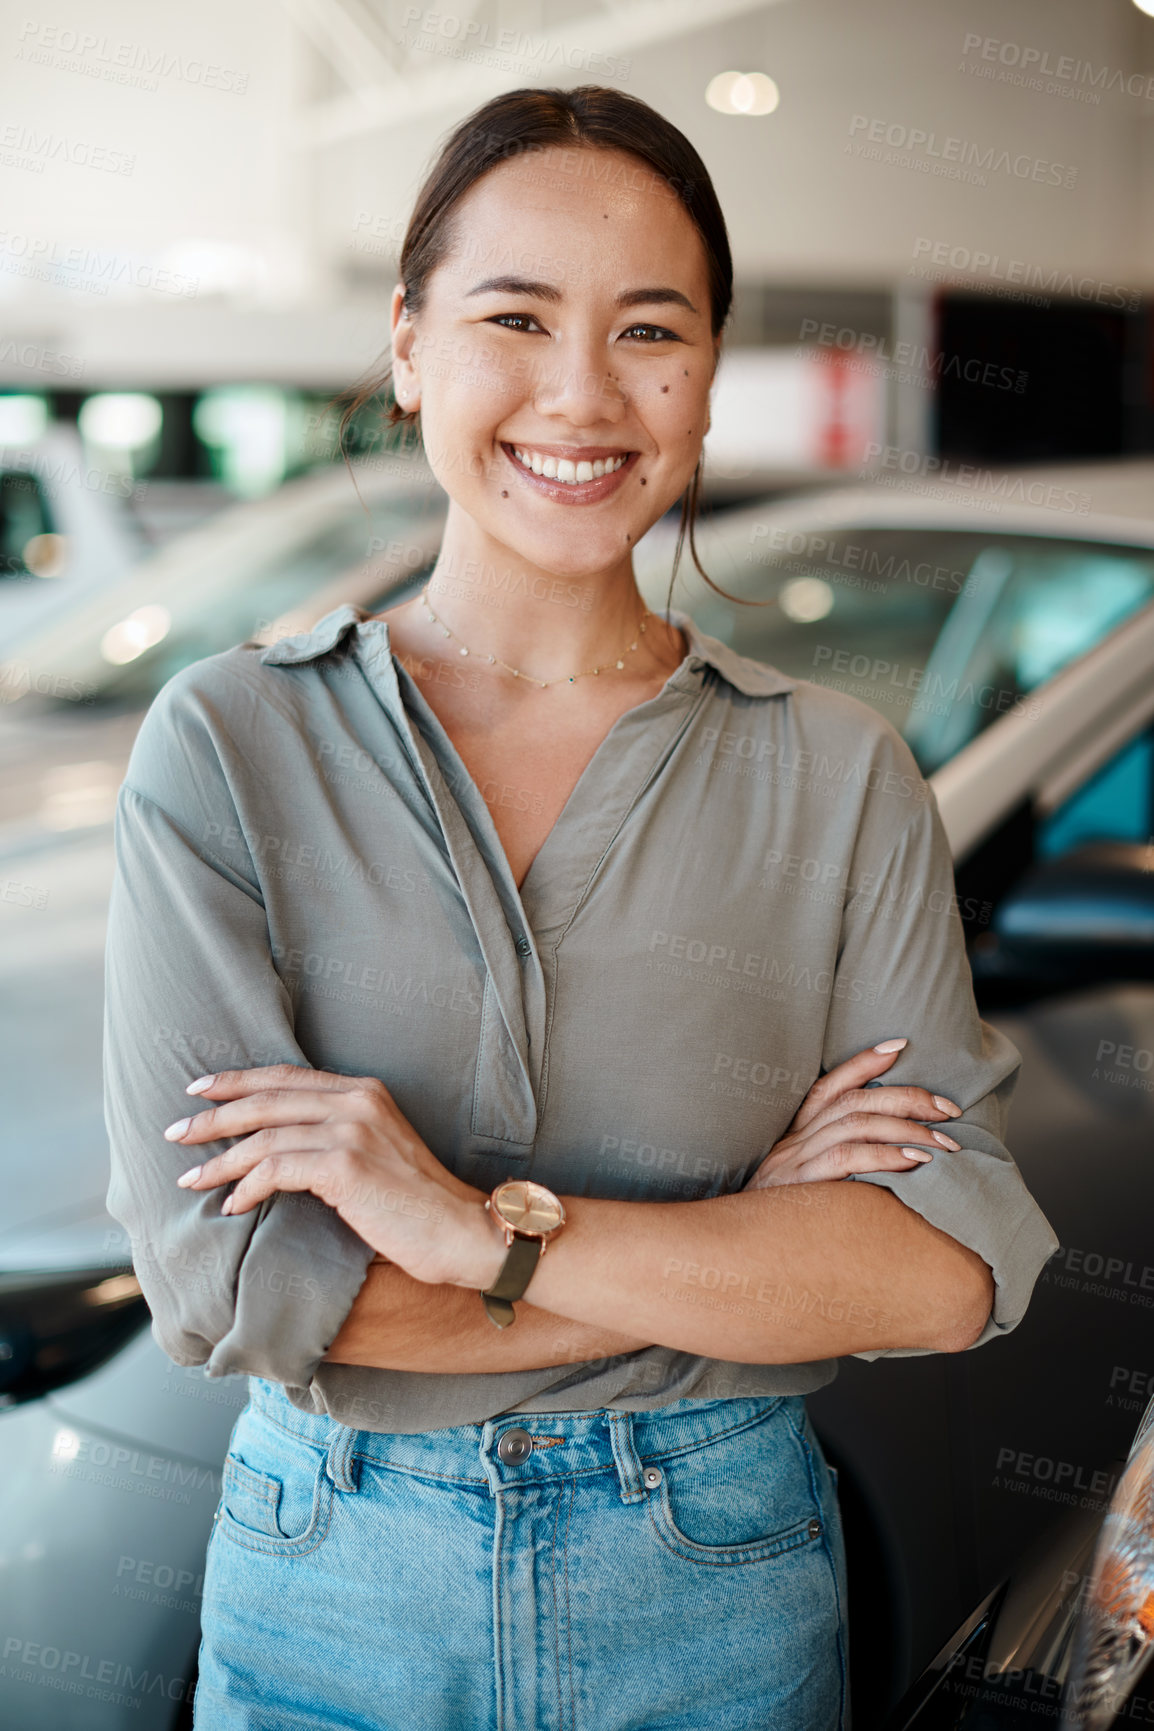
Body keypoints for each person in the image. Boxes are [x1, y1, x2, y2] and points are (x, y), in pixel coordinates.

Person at [103, 85, 1059, 1731]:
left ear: (706, 375)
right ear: (409, 345)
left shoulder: (834, 775)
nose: (580, 393)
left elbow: (939, 1274)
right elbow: (233, 1288)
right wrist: (745, 1253)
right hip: (334, 1583)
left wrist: (472, 1231)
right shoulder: (232, 742)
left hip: (714, 1578)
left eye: (649, 331)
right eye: (514, 318)